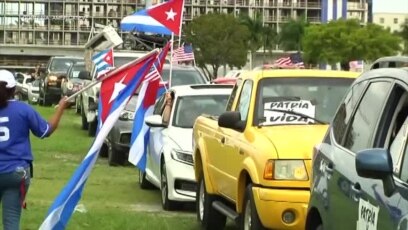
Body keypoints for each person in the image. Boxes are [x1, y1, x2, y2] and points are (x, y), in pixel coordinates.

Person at [0, 69, 70, 230]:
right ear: (13, 89)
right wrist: (60, 108)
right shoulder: (23, 109)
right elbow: (45, 131)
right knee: (11, 221)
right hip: (16, 172)